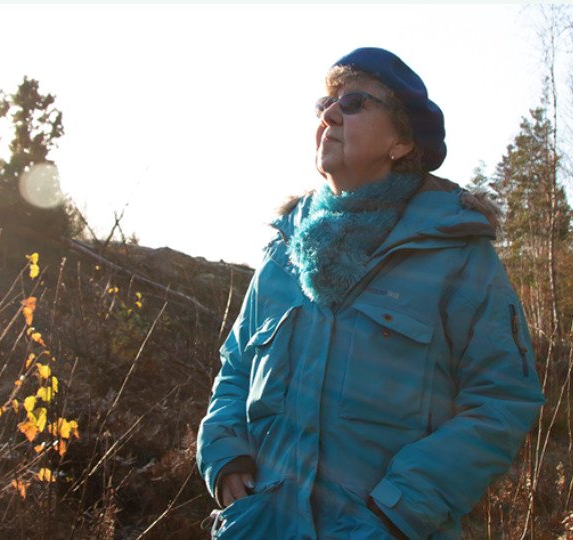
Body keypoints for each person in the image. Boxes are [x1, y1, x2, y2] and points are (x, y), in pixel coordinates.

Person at [196, 47, 545, 539]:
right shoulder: (283, 254)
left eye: (355, 102)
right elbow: (234, 369)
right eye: (326, 103)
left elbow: (503, 400)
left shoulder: (455, 253)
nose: (330, 114)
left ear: (401, 141)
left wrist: (401, 510)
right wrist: (226, 457)